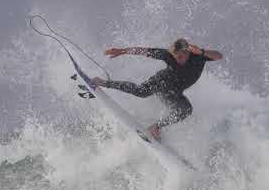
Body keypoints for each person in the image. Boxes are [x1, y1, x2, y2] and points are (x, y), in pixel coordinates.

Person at [92, 38, 223, 141]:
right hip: (161, 82)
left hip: (174, 93)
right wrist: (122, 51)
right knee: (140, 91)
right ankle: (104, 82)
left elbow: (219, 56)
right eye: (175, 57)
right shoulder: (169, 56)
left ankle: (155, 128)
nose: (178, 61)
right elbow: (144, 51)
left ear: (187, 52)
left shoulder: (199, 57)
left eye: (180, 57)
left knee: (186, 110)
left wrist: (202, 52)